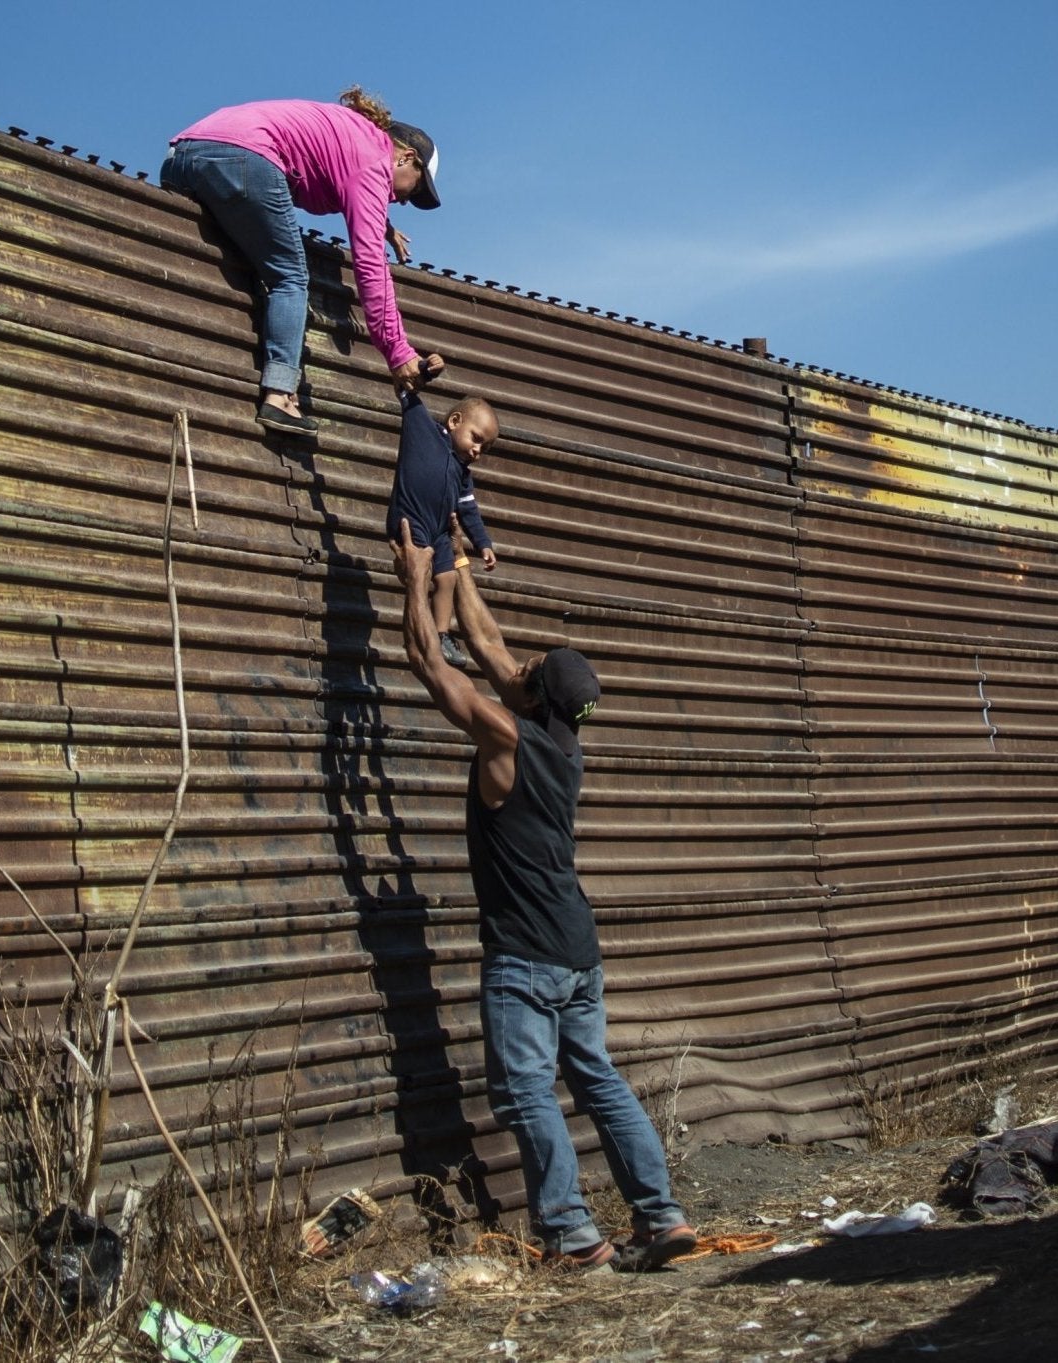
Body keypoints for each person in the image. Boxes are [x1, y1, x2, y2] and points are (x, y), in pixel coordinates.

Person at [389, 524, 699, 1273]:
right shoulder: (561, 742)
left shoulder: (506, 740)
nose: (514, 662)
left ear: (531, 698)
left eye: (527, 668)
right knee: (596, 1075)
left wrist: (411, 574)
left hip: (527, 956)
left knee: (526, 1091)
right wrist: (457, 563)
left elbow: (433, 663)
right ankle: (662, 1217)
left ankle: (570, 1235)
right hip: (578, 951)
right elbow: (492, 649)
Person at [161, 87, 444, 436]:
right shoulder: (374, 159)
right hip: (245, 156)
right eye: (415, 189)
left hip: (184, 154)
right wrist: (398, 352)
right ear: (405, 157)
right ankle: (280, 395)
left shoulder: (355, 135)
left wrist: (384, 226)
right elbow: (371, 265)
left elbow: (333, 169)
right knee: (291, 277)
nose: (404, 201)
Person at [391, 389, 500, 671]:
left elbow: (469, 511)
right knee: (420, 572)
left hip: (439, 531)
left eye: (484, 448)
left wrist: (483, 542)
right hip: (410, 521)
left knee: (449, 577)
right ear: (454, 421)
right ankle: (419, 632)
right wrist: (424, 370)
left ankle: (441, 635)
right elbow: (406, 391)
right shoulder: (424, 432)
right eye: (476, 439)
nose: (477, 451)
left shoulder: (463, 474)